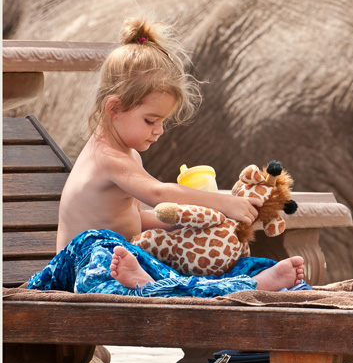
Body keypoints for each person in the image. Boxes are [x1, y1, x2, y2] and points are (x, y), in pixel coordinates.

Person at [27, 17, 306, 297]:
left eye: (163, 122)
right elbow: (158, 194)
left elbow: (134, 218)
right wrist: (224, 202)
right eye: (150, 120)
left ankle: (246, 280)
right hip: (84, 264)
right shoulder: (106, 156)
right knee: (107, 248)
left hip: (118, 260)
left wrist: (193, 221)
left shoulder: (129, 154)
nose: (159, 131)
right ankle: (161, 286)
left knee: (175, 266)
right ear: (114, 108)